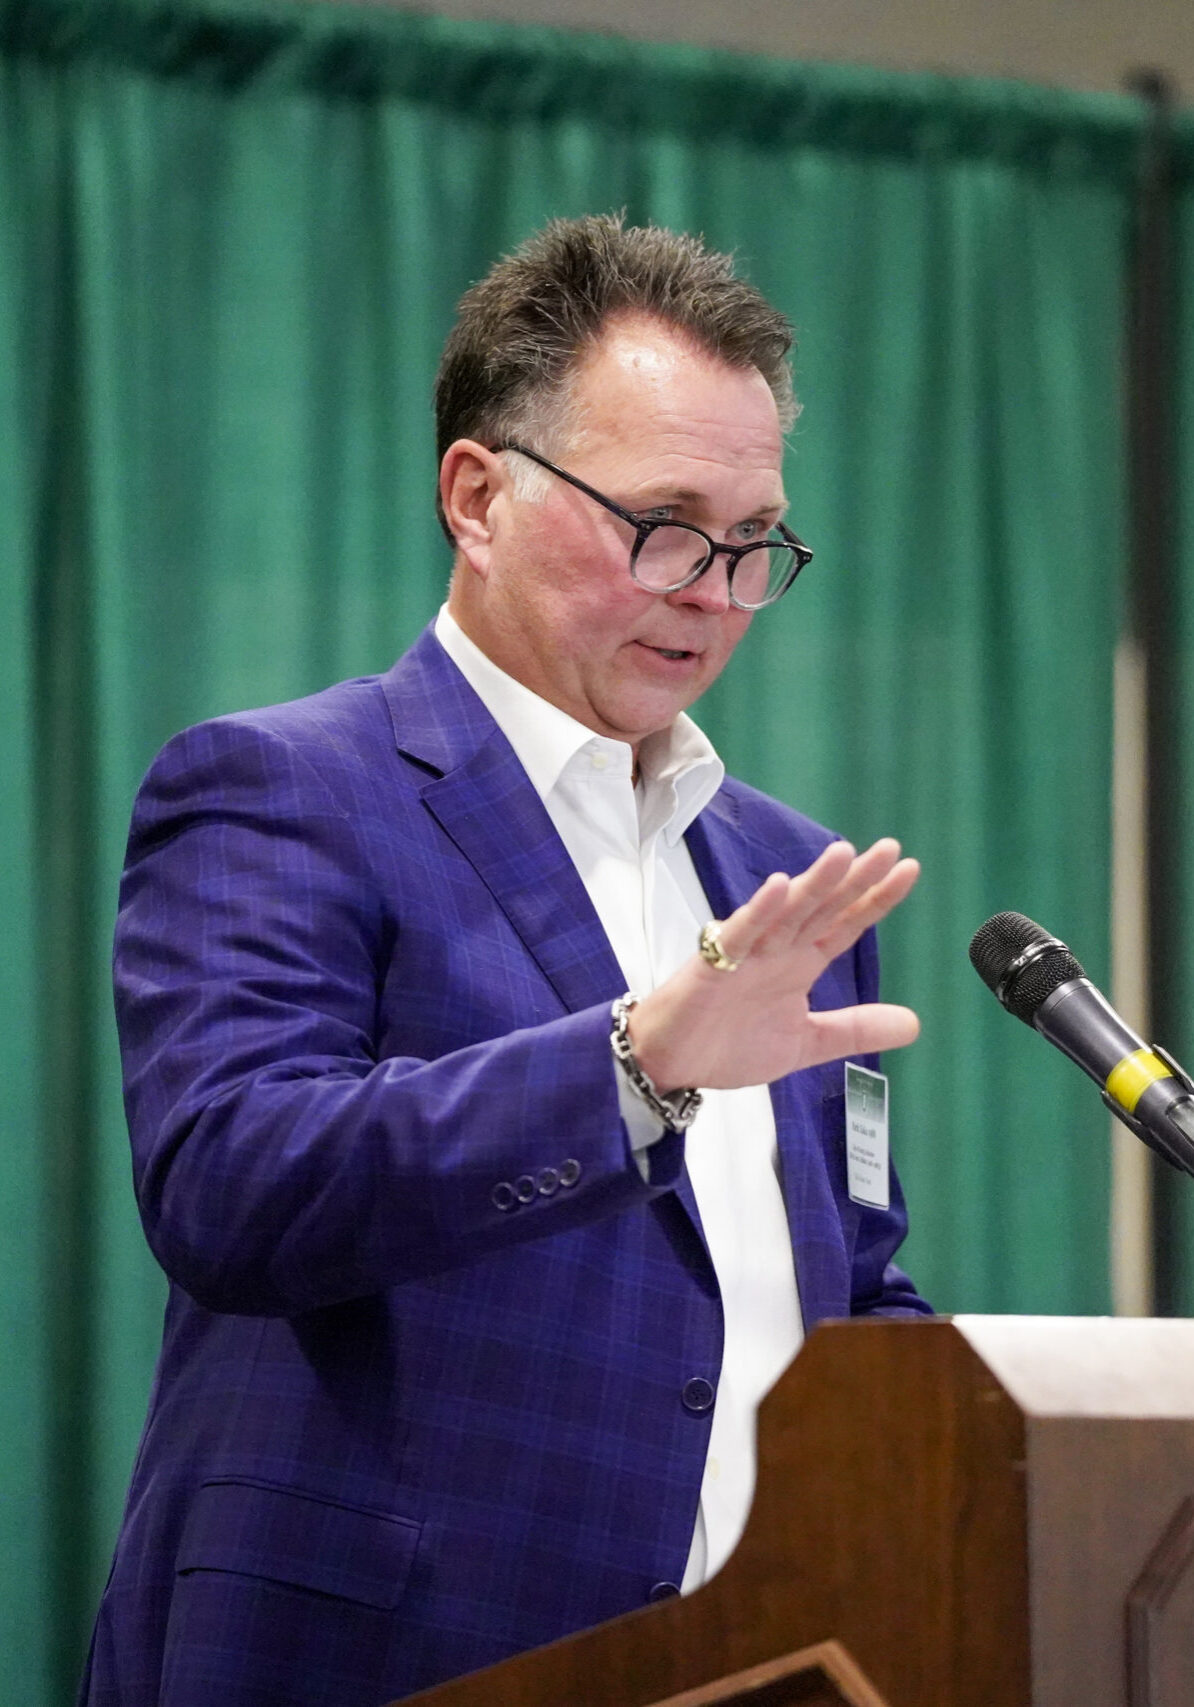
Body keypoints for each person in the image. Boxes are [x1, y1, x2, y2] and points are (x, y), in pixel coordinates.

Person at [79, 214, 930, 1707]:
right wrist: (634, 1067)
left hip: (757, 1664)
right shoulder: (290, 789)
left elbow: (839, 1292)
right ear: (476, 495)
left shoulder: (777, 869)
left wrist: (1020, 1416)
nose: (713, 590)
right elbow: (233, 1184)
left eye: (754, 545)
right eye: (664, 523)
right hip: (390, 1655)